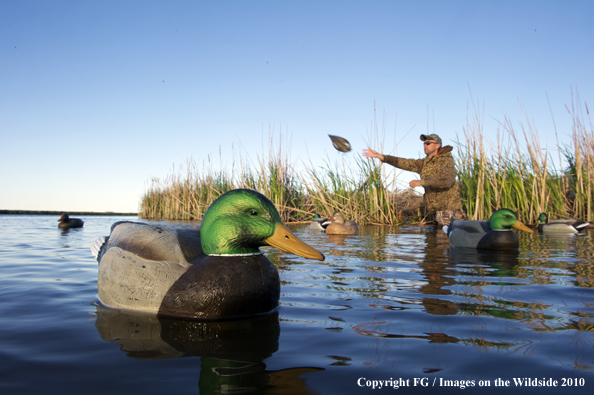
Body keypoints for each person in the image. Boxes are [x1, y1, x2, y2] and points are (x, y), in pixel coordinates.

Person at [362, 133, 465, 227]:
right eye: (424, 143)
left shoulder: (446, 160)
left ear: (438, 145)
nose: (425, 145)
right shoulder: (424, 163)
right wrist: (379, 156)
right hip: (435, 213)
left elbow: (446, 180)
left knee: (444, 244)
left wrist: (421, 182)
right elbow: (404, 162)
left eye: (428, 143)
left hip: (449, 212)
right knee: (435, 245)